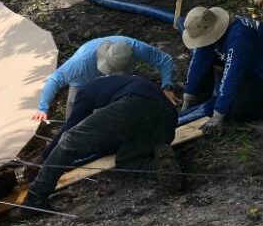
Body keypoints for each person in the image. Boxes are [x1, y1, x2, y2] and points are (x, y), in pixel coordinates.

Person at [23, 74, 181, 211]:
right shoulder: (119, 82)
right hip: (168, 121)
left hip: (136, 103)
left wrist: (42, 158)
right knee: (125, 160)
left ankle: (34, 199)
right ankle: (158, 166)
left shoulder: (85, 91)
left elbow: (70, 131)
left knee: (71, 139)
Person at [32, 36, 177, 121]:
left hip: (120, 81)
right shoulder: (80, 64)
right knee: (74, 120)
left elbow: (165, 60)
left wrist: (166, 87)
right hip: (83, 82)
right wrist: (42, 108)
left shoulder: (132, 48)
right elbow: (55, 78)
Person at [181, 6, 263, 131]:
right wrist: (187, 99)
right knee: (203, 63)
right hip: (248, 65)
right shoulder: (209, 26)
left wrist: (218, 115)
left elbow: (233, 74)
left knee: (239, 112)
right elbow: (199, 61)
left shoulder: (240, 36)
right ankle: (199, 104)